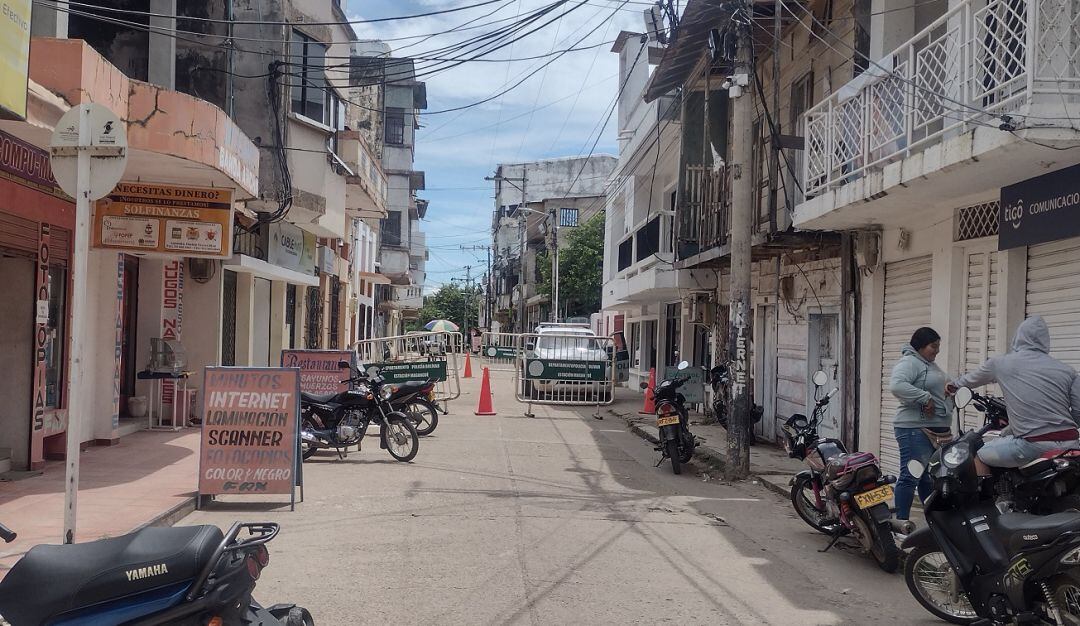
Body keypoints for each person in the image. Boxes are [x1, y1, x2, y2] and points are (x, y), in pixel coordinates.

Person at [947, 316, 1080, 473]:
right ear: (1045, 341)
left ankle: (996, 497)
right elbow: (1077, 414)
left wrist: (952, 386)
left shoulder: (1001, 363)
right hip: (1071, 445)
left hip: (1031, 447)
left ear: (1018, 337)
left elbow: (970, 380)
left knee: (975, 454)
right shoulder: (1068, 371)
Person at [890, 327, 954, 520]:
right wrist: (924, 397)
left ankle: (935, 524)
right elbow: (897, 385)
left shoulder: (929, 364)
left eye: (938, 346)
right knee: (910, 476)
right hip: (914, 429)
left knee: (927, 479)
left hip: (936, 432)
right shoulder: (910, 362)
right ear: (920, 345)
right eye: (933, 346)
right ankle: (901, 525)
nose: (937, 350)